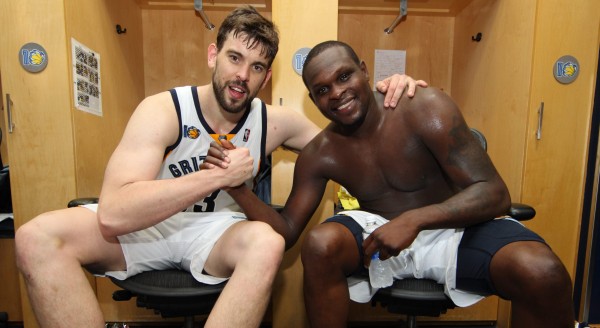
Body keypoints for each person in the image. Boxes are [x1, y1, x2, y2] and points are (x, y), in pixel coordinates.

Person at [14, 6, 426, 328]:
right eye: (234, 58)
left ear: (266, 78)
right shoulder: (163, 110)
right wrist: (214, 178)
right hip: (147, 225)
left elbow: (349, 129)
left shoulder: (273, 122)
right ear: (213, 55)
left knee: (268, 243)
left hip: (215, 235)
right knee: (35, 237)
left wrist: (391, 97)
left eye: (257, 67)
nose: (241, 76)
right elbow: (114, 212)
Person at [209, 40, 575, 327]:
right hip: (379, 238)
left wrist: (414, 220)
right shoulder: (321, 153)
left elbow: (495, 193)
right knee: (320, 244)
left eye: (343, 77)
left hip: (455, 231)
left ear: (364, 71)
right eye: (322, 91)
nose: (336, 93)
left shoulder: (424, 107)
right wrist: (238, 189)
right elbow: (287, 230)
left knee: (541, 271)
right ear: (314, 100)